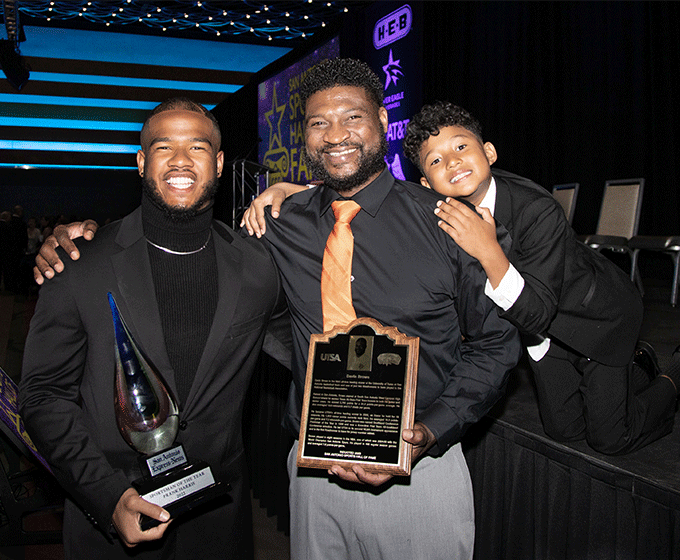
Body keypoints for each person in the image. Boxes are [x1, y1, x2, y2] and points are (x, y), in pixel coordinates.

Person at [36, 60, 521, 559]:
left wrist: (432, 429)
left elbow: (497, 345)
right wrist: (75, 238)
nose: (336, 135)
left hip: (419, 468)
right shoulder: (278, 227)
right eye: (318, 123)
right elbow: (183, 254)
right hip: (314, 478)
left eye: (352, 118)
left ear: (381, 119)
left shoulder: (451, 225)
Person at [19, 98, 288, 559]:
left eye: (198, 148)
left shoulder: (258, 267)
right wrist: (108, 497)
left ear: (220, 163)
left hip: (218, 522)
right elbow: (44, 395)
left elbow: (308, 346)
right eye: (164, 147)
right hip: (116, 519)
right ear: (142, 162)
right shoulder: (80, 265)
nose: (181, 160)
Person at [401, 100, 677, 454]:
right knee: (565, 430)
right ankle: (637, 367)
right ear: (426, 183)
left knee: (609, 438)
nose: (451, 161)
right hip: (543, 332)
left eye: (460, 146)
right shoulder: (444, 219)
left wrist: (488, 250)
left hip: (601, 318)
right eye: (435, 160)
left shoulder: (537, 208)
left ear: (488, 152)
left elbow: (536, 310)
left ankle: (670, 376)